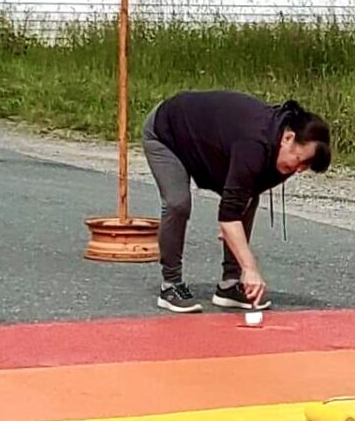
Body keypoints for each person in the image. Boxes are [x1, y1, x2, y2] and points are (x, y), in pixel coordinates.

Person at [142, 91, 331, 316]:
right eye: (300, 160)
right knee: (177, 203)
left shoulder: (285, 156)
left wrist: (232, 227)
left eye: (306, 166)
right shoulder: (254, 144)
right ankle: (170, 285)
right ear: (288, 137)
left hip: (207, 144)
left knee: (246, 198)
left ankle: (229, 286)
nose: (298, 170)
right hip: (167, 132)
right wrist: (250, 268)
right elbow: (229, 216)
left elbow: (243, 197)